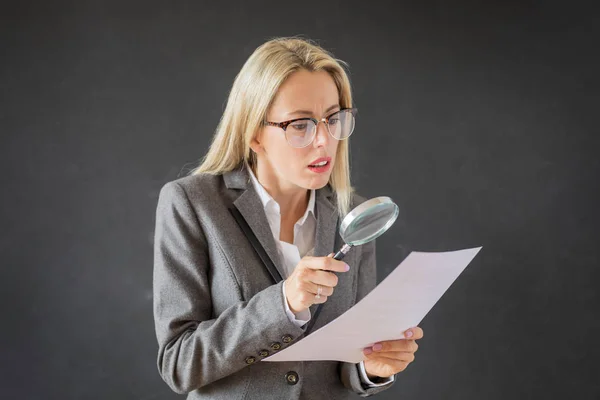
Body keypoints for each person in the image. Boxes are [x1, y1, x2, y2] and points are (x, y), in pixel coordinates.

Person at [153, 36, 424, 400]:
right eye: (301, 125)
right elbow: (179, 362)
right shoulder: (193, 203)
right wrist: (282, 304)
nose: (324, 141)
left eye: (333, 119)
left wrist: (371, 368)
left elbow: (347, 367)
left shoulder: (353, 215)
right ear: (254, 135)